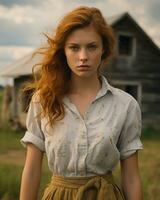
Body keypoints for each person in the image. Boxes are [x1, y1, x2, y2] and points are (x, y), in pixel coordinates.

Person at [20, 6, 143, 200]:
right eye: (74, 47)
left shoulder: (125, 105)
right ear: (63, 51)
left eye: (92, 46)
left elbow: (131, 176)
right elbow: (32, 170)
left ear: (104, 49)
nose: (83, 56)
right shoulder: (43, 100)